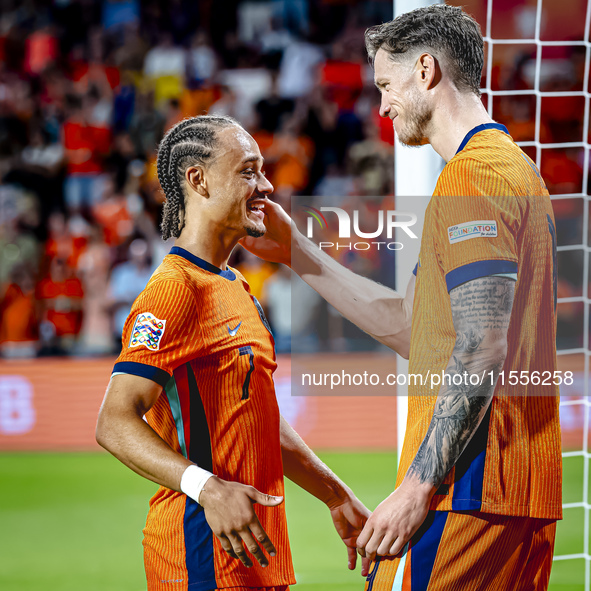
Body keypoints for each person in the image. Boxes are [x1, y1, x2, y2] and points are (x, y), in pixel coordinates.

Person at [241, 5, 561, 591]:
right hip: (511, 490)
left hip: (469, 494)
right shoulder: (510, 171)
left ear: (426, 69)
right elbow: (416, 328)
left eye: (387, 85)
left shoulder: (474, 178)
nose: (383, 105)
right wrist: (298, 252)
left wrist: (419, 487)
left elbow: (482, 345)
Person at [95, 114, 370, 591]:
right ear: (197, 180)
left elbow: (256, 415)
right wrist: (208, 488)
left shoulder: (239, 287)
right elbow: (114, 422)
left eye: (262, 171)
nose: (265, 185)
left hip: (255, 555)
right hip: (200, 554)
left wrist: (336, 495)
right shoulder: (174, 290)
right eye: (247, 171)